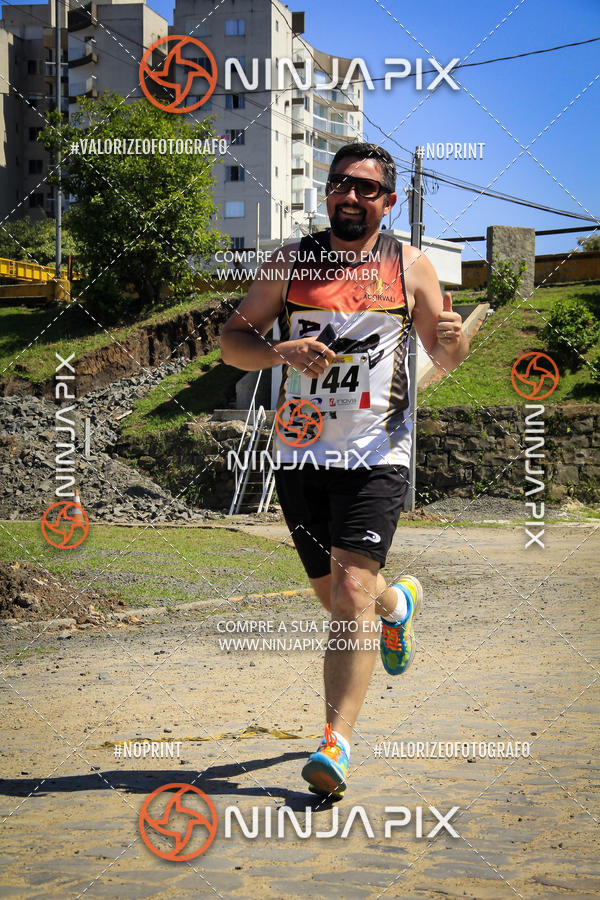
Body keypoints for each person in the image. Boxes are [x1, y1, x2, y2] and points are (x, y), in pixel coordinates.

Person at [220, 142, 469, 799]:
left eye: (366, 188)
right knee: (339, 600)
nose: (351, 197)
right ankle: (398, 607)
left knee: (351, 591)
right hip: (300, 455)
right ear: (326, 194)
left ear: (388, 200)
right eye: (340, 185)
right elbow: (232, 342)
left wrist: (456, 340)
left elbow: (444, 356)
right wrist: (279, 348)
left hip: (377, 453)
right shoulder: (290, 262)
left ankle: (335, 743)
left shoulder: (411, 267)